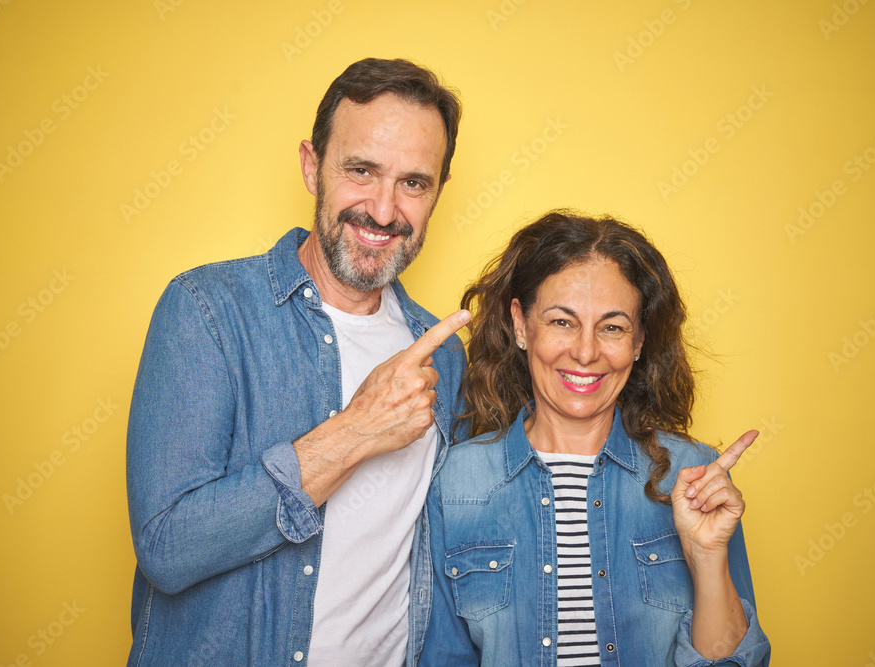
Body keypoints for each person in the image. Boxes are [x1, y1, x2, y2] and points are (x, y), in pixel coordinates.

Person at [125, 58, 471, 666]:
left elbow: (444, 564)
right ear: (313, 167)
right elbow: (168, 549)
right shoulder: (208, 312)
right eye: (361, 171)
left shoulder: (443, 356)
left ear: (439, 190)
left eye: (414, 183)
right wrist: (357, 431)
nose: (385, 211)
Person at [420, 210, 771, 666]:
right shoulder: (455, 482)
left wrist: (706, 557)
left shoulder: (696, 475)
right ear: (521, 325)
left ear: (640, 340)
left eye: (612, 327)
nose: (586, 353)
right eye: (562, 322)